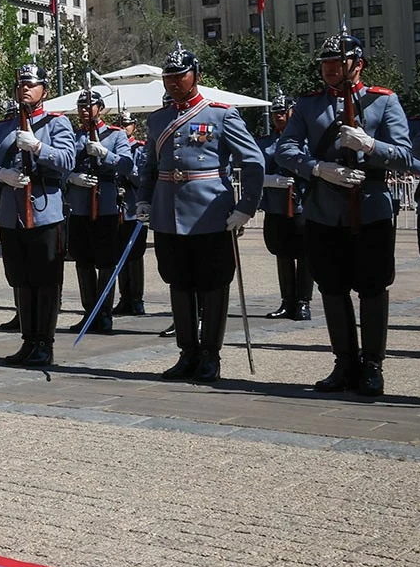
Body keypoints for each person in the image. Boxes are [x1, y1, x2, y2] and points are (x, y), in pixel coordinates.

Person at [276, 32, 411, 397]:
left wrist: (370, 145)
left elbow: (405, 155)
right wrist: (318, 168)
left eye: (337, 63)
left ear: (357, 64)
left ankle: (372, 366)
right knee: (332, 288)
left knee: (372, 287)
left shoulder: (383, 102)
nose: (330, 70)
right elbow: (285, 150)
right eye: (325, 64)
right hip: (324, 209)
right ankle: (344, 363)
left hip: (370, 209)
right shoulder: (308, 105)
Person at [134, 43, 264, 386]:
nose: (174, 82)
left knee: (213, 285)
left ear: (196, 77)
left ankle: (210, 356)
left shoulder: (220, 113)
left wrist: (245, 208)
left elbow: (253, 161)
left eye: (180, 76)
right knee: (179, 283)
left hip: (210, 214)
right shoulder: (159, 119)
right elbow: (149, 167)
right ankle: (187, 352)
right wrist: (144, 200)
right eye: (169, 77)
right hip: (167, 215)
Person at [0, 64, 77, 368]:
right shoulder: (2, 126)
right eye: (21, 85)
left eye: (31, 85)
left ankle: (45, 343)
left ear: (44, 90)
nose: (25, 89)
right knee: (20, 279)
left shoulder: (57, 124)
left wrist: (39, 147)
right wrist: (0, 173)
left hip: (45, 211)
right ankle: (28, 340)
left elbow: (67, 160)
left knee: (45, 280)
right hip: (12, 213)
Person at [64, 89, 134, 336]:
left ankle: (103, 314)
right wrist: (71, 177)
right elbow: (61, 164)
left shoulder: (115, 135)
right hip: (80, 204)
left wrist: (105, 153)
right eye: (81, 106)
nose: (84, 110)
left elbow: (127, 165)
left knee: (105, 260)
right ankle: (88, 311)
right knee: (82, 259)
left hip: (105, 203)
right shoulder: (72, 137)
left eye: (90, 106)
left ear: (101, 109)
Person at [258, 93, 312, 322]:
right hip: (276, 205)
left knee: (305, 255)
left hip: (301, 203)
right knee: (282, 253)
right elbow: (255, 166)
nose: (279, 117)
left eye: (283, 112)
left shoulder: (305, 140)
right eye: (275, 113)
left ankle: (303, 302)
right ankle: (287, 300)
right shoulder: (265, 141)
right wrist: (267, 179)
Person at [112, 113, 149, 316]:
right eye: (119, 124)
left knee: (135, 255)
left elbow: (143, 178)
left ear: (133, 126)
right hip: (117, 208)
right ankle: (124, 297)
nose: (123, 128)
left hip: (135, 208)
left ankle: (136, 299)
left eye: (126, 124)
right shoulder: (115, 147)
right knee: (119, 255)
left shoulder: (139, 149)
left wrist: (128, 170)